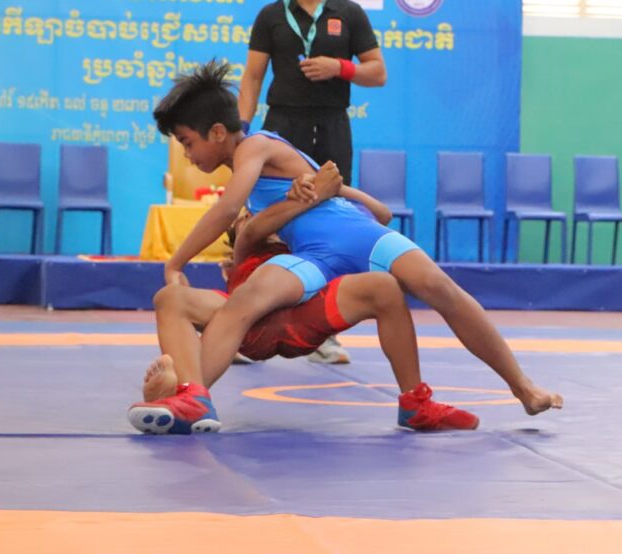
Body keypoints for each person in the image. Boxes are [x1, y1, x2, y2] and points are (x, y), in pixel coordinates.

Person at [135, 60, 562, 433]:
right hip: (313, 257)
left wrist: (176, 262)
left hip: (358, 238)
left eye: (187, 142)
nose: (187, 155)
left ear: (216, 132)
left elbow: (229, 209)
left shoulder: (255, 146)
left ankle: (520, 388)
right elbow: (369, 206)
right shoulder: (263, 170)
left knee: (440, 289)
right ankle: (194, 398)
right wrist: (316, 195)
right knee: (246, 299)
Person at [129, 165, 479, 433]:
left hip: (303, 318)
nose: (250, 217)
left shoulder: (306, 245)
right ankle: (187, 393)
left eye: (254, 212)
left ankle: (415, 403)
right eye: (245, 216)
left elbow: (381, 214)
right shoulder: (247, 242)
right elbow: (255, 226)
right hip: (246, 326)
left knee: (384, 287)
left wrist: (336, 189)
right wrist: (305, 195)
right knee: (170, 298)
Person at [237, 0, 385, 188]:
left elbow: (378, 73)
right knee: (281, 202)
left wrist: (339, 68)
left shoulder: (350, 13)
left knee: (334, 201)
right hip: (282, 126)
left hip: (333, 126)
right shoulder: (270, 16)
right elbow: (253, 77)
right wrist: (242, 127)